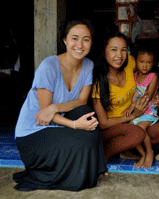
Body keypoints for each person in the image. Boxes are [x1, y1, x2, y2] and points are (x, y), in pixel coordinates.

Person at [13, 19, 107, 191]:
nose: (80, 44)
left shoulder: (88, 65)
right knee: (83, 139)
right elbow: (44, 115)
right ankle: (62, 175)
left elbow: (80, 102)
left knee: (87, 113)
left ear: (91, 42)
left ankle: (95, 167)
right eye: (74, 38)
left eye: (86, 39)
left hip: (57, 125)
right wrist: (74, 125)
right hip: (34, 133)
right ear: (64, 40)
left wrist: (55, 107)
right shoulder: (48, 66)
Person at [92, 31, 159, 166]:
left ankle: (126, 149)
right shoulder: (99, 82)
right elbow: (104, 123)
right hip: (112, 127)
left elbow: (146, 74)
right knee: (137, 134)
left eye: (123, 50)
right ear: (104, 51)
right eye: (114, 50)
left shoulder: (130, 63)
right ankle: (103, 157)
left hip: (133, 120)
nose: (119, 55)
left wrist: (155, 94)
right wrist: (132, 115)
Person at [123, 46, 159, 168]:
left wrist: (132, 106)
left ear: (153, 63)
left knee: (140, 129)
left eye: (148, 62)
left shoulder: (153, 76)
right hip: (136, 112)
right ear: (136, 62)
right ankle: (142, 154)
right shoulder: (133, 76)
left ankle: (150, 152)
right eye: (141, 62)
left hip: (147, 111)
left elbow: (148, 96)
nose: (145, 65)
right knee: (131, 130)